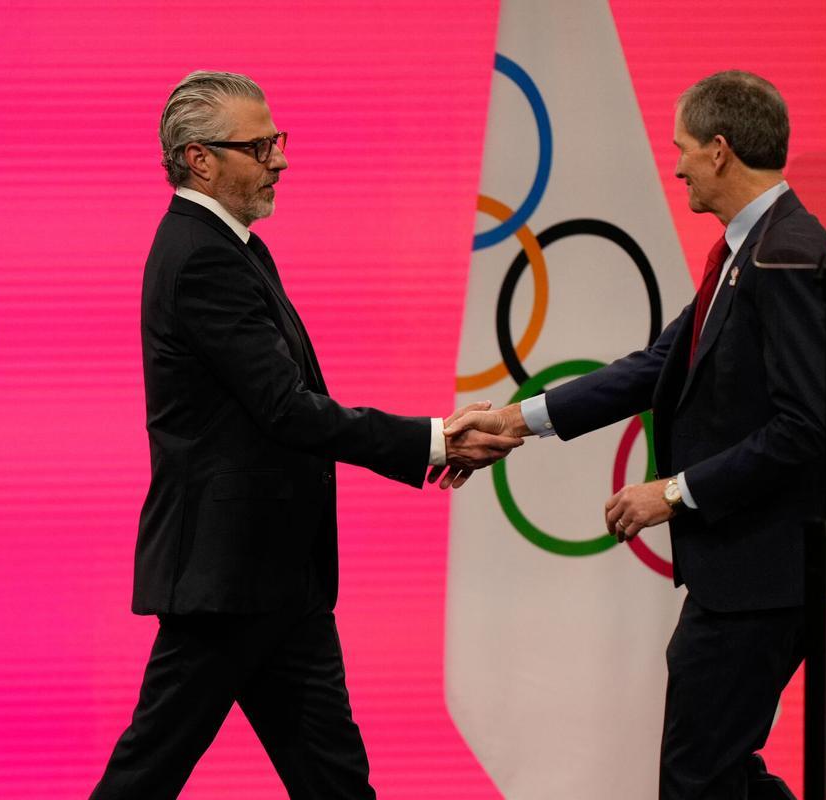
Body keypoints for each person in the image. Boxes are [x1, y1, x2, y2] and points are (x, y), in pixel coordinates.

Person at [90, 70, 521, 799]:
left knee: (336, 784)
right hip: (228, 584)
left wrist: (434, 441)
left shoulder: (232, 246)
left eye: (277, 140)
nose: (280, 159)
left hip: (275, 577)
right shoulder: (202, 256)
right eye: (259, 146)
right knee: (146, 776)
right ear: (199, 158)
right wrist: (434, 440)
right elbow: (287, 410)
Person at [446, 71, 826, 799]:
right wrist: (516, 420)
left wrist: (672, 493)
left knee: (698, 778)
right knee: (716, 774)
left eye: (681, 149)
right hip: (743, 570)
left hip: (767, 570)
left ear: (719, 149)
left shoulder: (791, 252)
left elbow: (804, 428)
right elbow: (655, 367)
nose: (675, 167)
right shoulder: (748, 250)